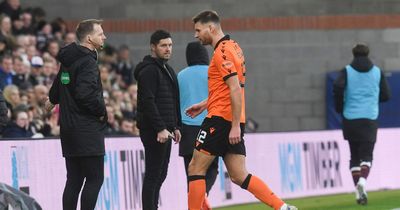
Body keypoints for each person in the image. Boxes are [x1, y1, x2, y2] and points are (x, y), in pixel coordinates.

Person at [186, 10, 297, 210]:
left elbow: (235, 88)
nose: (196, 35)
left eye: (198, 30)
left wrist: (234, 126)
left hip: (220, 120)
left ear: (211, 28)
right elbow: (226, 87)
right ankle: (282, 207)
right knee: (239, 175)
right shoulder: (234, 46)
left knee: (195, 168)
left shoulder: (221, 53)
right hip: (232, 117)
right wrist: (204, 104)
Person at [46, 19, 107, 210]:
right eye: (100, 33)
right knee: (95, 178)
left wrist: (52, 102)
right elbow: (85, 94)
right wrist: (101, 112)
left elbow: (55, 93)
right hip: (86, 129)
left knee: (74, 180)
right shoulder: (87, 61)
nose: (104, 36)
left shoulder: (67, 62)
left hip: (69, 129)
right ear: (89, 38)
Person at [333, 43, 390, 205]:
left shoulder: (347, 71)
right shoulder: (377, 72)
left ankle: (359, 195)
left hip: (350, 118)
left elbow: (337, 87)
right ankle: (363, 182)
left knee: (354, 157)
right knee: (367, 156)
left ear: (353, 54)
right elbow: (386, 95)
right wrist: (371, 98)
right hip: (369, 118)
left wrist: (340, 106)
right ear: (368, 53)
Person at [133, 29, 181, 210]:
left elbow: (173, 100)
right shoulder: (149, 71)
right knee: (154, 174)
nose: (168, 49)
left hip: (166, 129)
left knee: (161, 173)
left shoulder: (167, 70)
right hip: (154, 130)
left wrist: (176, 126)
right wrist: (161, 128)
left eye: (170, 45)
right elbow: (148, 101)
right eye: (163, 45)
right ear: (153, 47)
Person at [178, 41, 218, 210]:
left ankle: (196, 202)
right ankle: (204, 194)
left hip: (186, 128)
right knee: (212, 168)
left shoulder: (180, 75)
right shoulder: (212, 73)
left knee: (191, 172)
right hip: (210, 126)